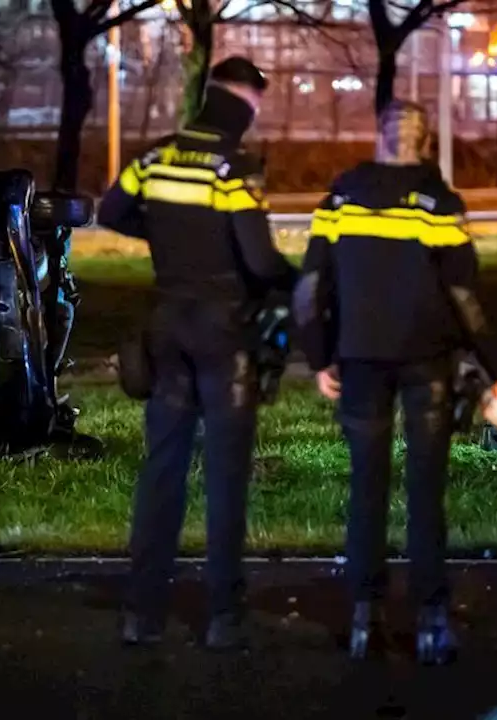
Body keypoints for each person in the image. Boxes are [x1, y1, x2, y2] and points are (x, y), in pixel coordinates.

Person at [295, 100, 497, 665]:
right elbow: (465, 298)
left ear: (379, 136)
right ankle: (430, 621)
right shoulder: (439, 203)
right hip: (427, 362)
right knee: (425, 494)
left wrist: (320, 356)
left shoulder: (341, 196)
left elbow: (309, 288)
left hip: (358, 360)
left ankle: (363, 618)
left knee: (366, 488)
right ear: (425, 143)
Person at [97, 56, 298, 650]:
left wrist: (161, 233)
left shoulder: (156, 156)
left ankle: (142, 613)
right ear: (249, 103)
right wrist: (296, 284)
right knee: (226, 478)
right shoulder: (232, 167)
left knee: (162, 471)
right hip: (222, 332)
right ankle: (223, 617)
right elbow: (260, 261)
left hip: (167, 327)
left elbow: (111, 211)